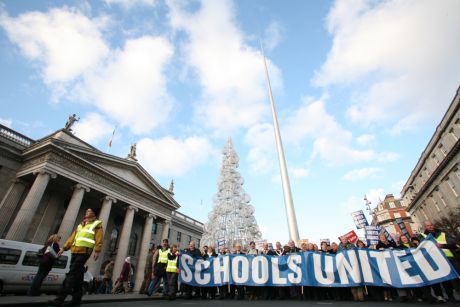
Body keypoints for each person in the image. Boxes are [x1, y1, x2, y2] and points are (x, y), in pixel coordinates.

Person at [49, 208, 103, 307]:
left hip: (84, 252)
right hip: (74, 251)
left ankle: (59, 300)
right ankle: (76, 300)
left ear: (94, 214)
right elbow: (72, 238)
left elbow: (99, 238)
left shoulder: (97, 225)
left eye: (89, 211)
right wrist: (64, 248)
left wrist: (97, 250)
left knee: (71, 274)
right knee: (78, 276)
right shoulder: (80, 225)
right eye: (86, 211)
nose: (87, 212)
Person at [421, 220, 458, 303]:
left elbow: (453, 243)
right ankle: (444, 296)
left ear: (433, 225)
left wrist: (443, 245)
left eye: (431, 225)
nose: (430, 227)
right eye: (427, 226)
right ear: (425, 227)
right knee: (444, 279)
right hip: (435, 260)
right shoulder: (422, 236)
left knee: (452, 278)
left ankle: (451, 296)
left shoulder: (442, 233)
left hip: (448, 258)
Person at [376, 233, 397, 302]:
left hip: (392, 262)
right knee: (385, 279)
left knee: (393, 278)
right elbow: (376, 253)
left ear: (385, 237)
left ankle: (392, 294)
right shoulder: (378, 245)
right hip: (383, 263)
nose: (382, 238)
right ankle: (386, 295)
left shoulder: (391, 243)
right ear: (379, 238)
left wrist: (393, 248)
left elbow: (397, 249)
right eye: (381, 237)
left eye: (383, 237)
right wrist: (379, 249)